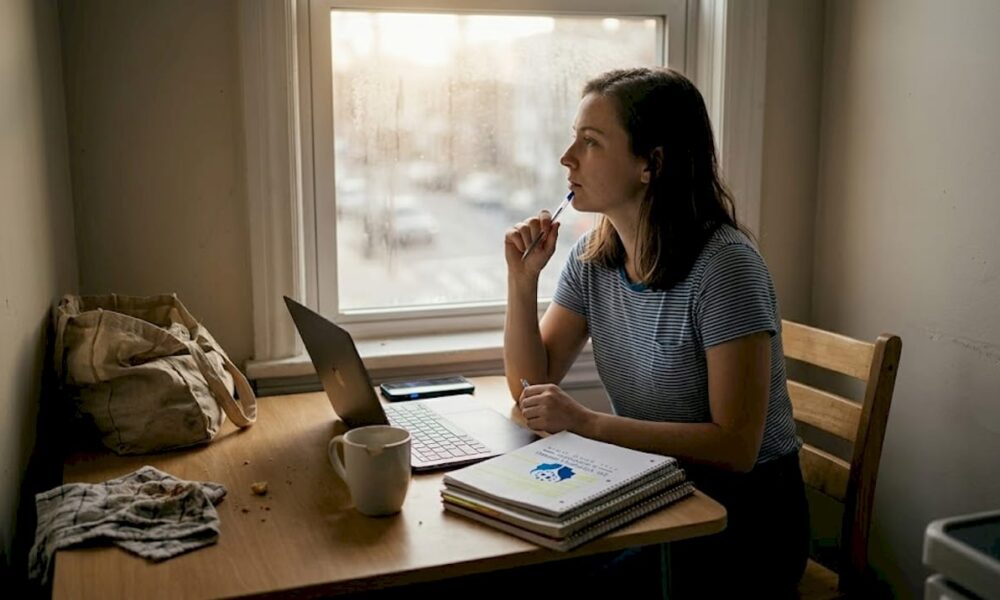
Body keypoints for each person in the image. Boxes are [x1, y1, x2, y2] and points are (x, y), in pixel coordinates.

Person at [503, 67, 809, 597]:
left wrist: (586, 423)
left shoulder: (726, 269)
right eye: (575, 137)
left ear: (652, 164)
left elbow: (736, 446)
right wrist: (521, 282)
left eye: (591, 142)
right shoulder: (593, 259)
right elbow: (529, 388)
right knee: (518, 563)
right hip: (656, 489)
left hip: (745, 519)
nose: (566, 157)